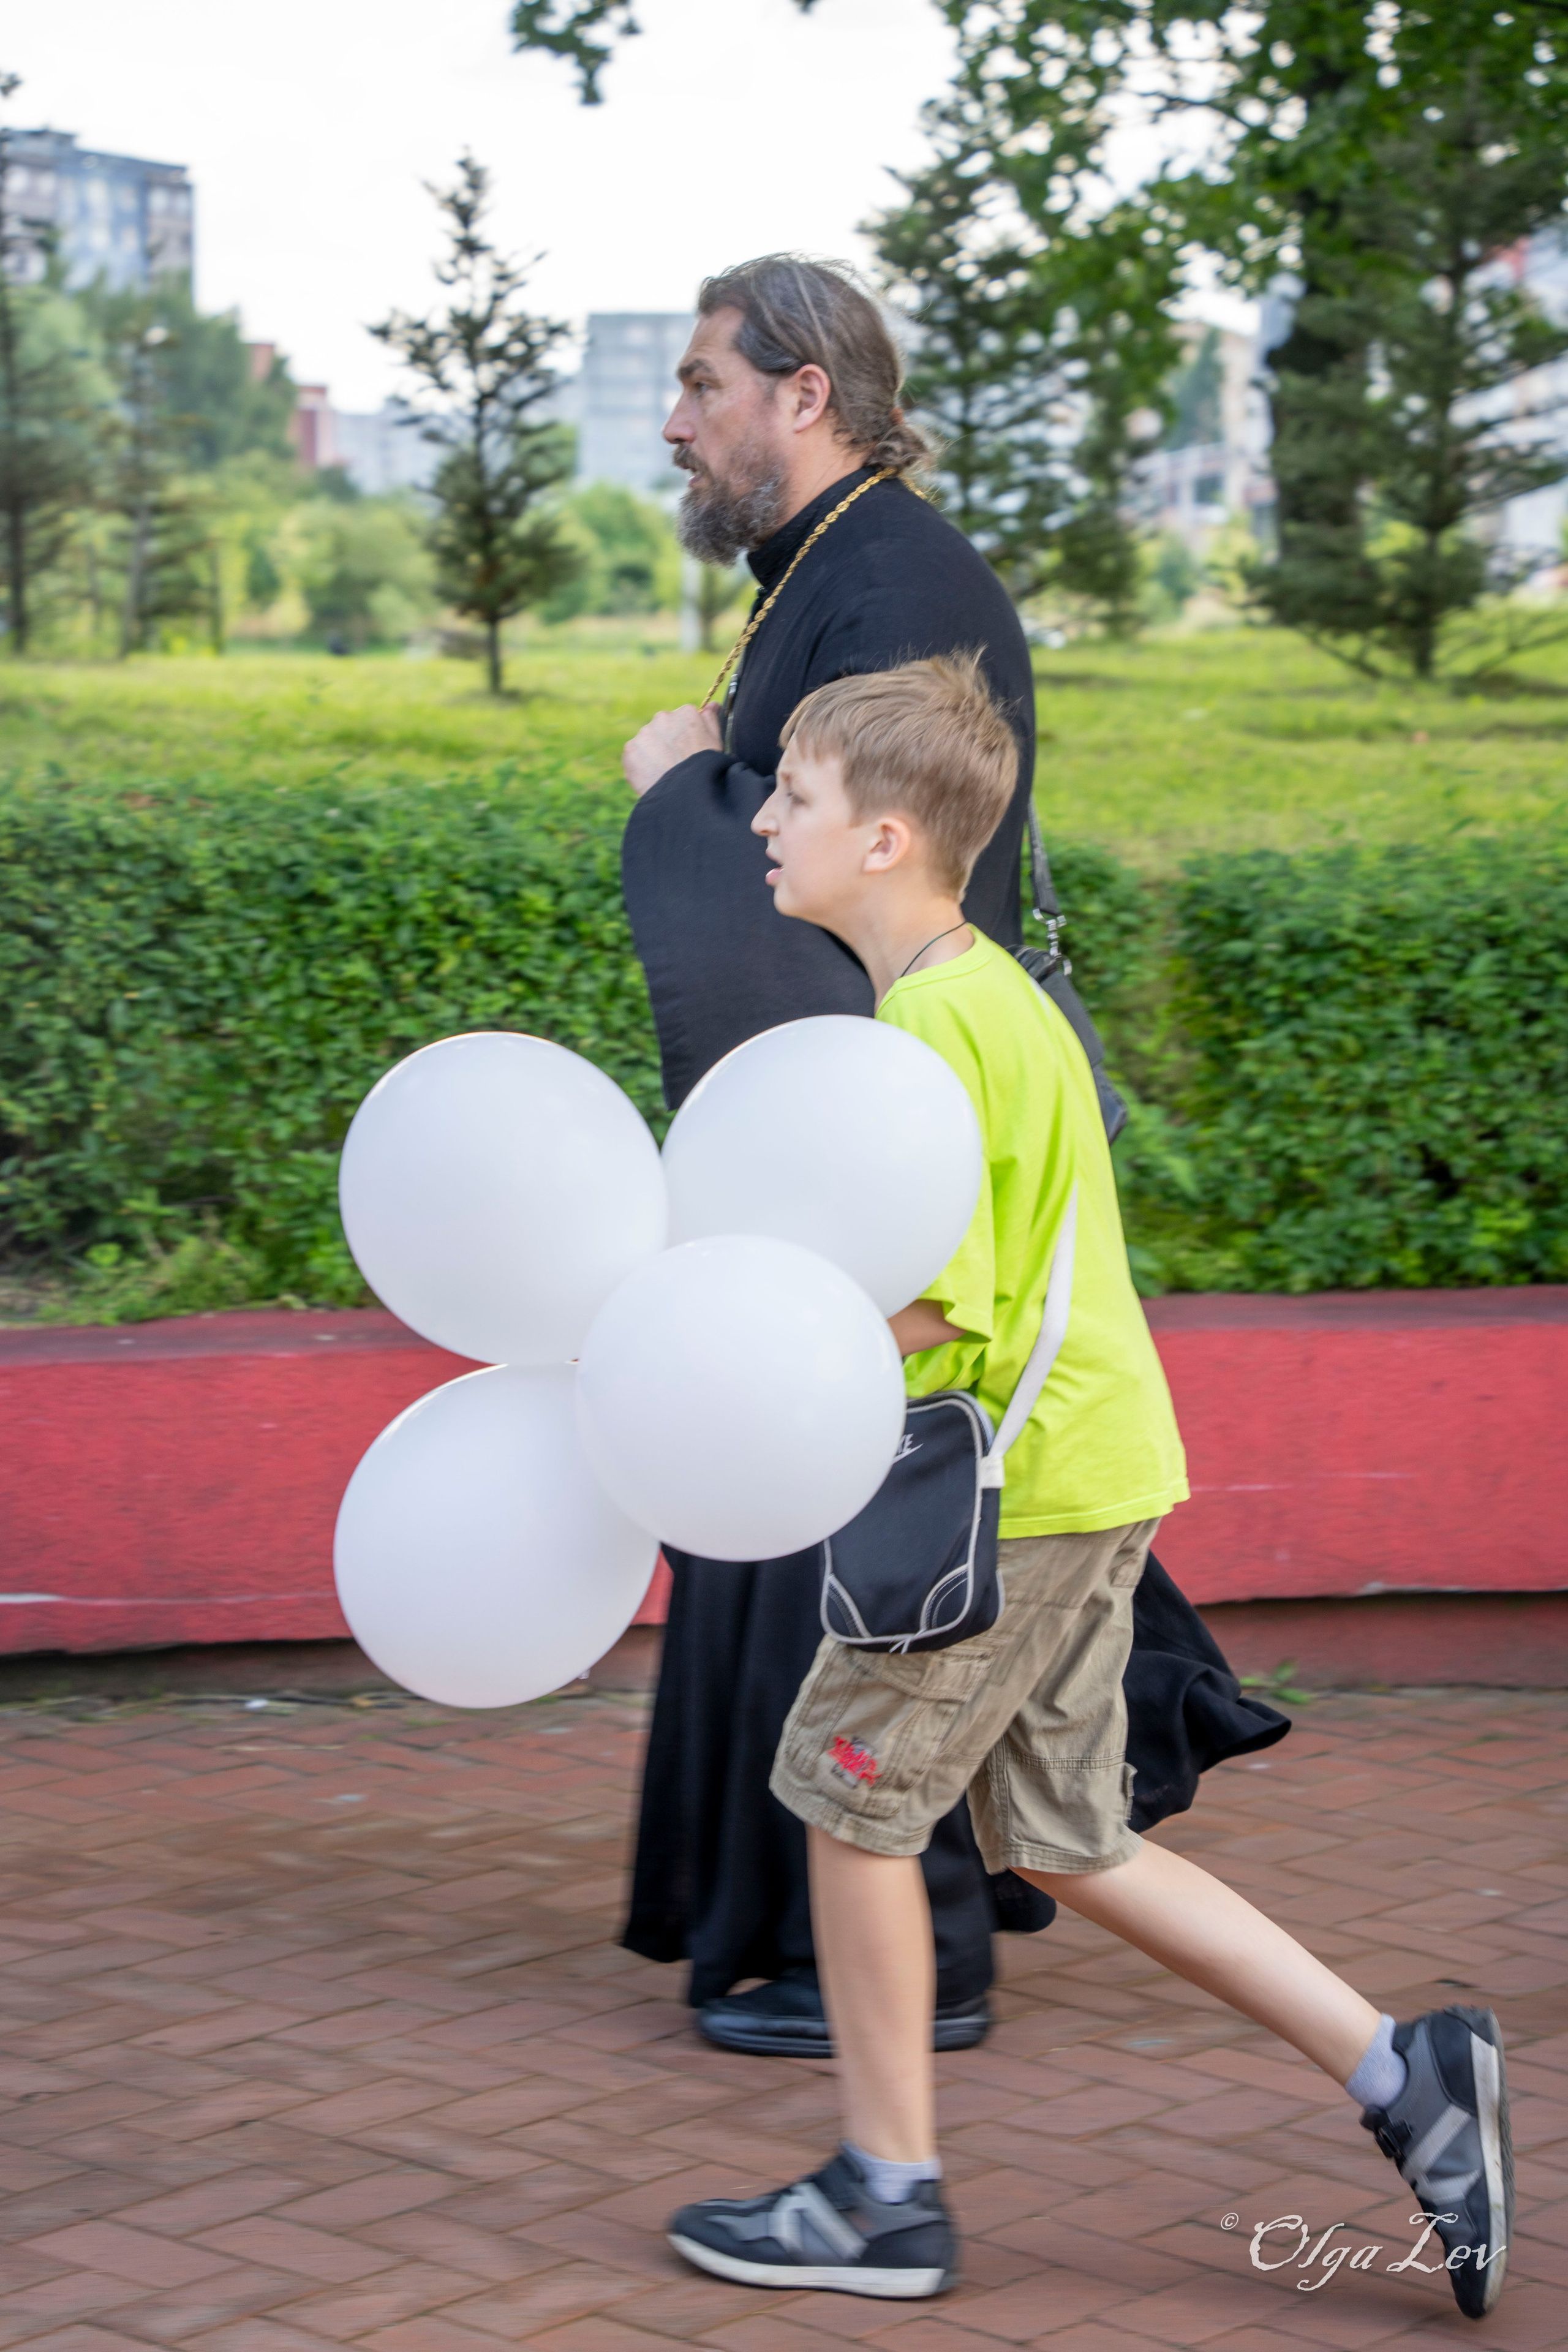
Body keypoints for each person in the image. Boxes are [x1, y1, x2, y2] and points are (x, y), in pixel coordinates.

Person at [665, 658, 1513, 2323]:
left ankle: (883, 2198)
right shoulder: (989, 993)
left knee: (846, 1800)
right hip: (1084, 1467)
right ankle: (1407, 2072)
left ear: (887, 837)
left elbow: (943, 1305)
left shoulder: (929, 1033)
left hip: (1020, 1494)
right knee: (1068, 1837)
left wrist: (735, 1336)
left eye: (797, 798)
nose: (764, 820)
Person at [620, 252, 1286, 2058]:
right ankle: (816, 1936)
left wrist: (679, 793)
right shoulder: (834, 572)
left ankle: (893, 1965)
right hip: (853, 1135)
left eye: (702, 385)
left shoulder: (900, 584)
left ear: (805, 394)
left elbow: (863, 877)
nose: (676, 423)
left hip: (895, 1157)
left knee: (876, 1541)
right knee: (854, 1543)